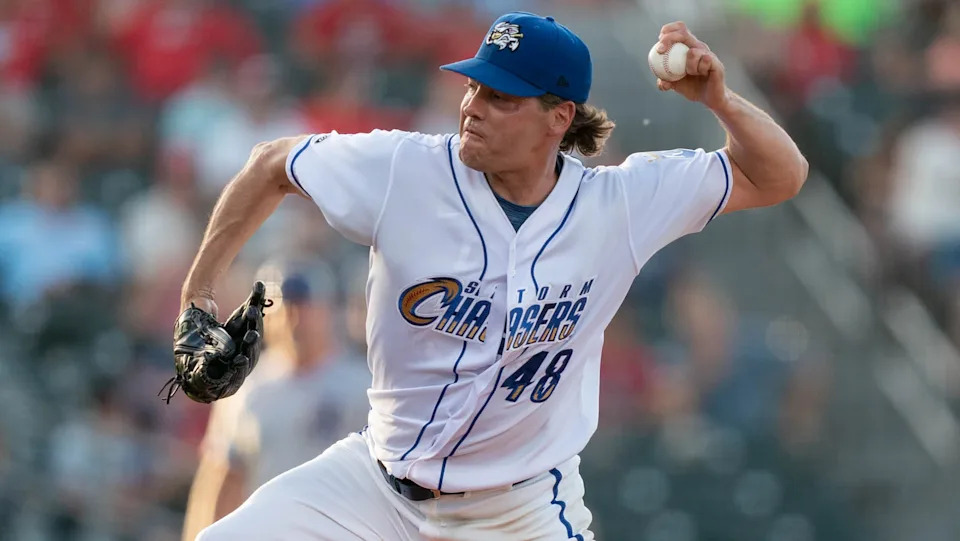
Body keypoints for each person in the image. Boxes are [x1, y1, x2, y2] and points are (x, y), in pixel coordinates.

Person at [180, 12, 808, 540]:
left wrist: (719, 101)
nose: (472, 108)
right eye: (473, 87)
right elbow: (271, 164)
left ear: (558, 117)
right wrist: (198, 295)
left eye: (500, 98)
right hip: (373, 485)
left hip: (518, 511)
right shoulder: (406, 170)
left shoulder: (619, 205)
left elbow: (780, 175)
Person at [180, 261, 370, 540]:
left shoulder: (361, 387)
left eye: (304, 308)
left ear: (327, 310)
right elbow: (223, 477)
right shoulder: (247, 390)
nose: (294, 320)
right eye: (283, 309)